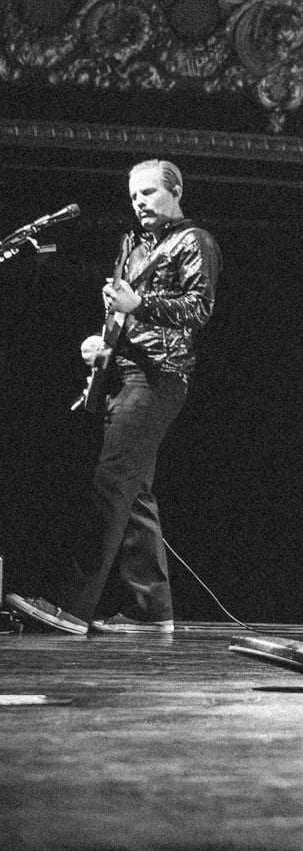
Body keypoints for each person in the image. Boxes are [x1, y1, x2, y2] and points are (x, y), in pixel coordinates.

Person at [5, 159, 220, 636]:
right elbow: (121, 310)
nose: (139, 201)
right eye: (134, 195)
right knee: (135, 492)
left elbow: (198, 308)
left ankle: (70, 605)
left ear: (176, 191)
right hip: (123, 371)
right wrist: (102, 343)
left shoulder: (195, 241)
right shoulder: (132, 245)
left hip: (158, 376)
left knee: (110, 485)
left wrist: (138, 304)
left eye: (149, 192)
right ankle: (151, 608)